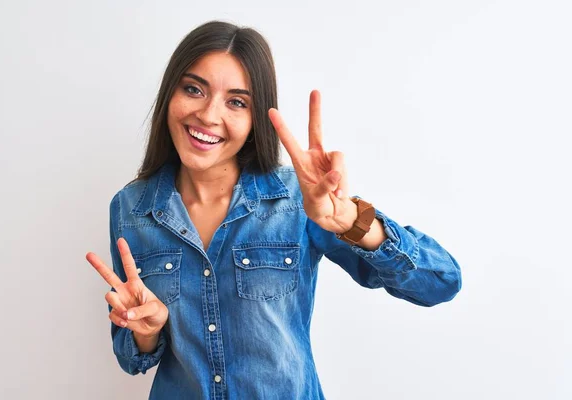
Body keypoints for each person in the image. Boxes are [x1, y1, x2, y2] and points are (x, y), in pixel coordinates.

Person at [85, 20, 461, 400]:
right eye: (194, 89)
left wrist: (352, 221)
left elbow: (441, 283)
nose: (209, 115)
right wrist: (146, 331)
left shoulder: (298, 198)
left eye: (236, 102)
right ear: (170, 94)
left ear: (255, 118)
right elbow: (131, 359)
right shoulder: (132, 207)